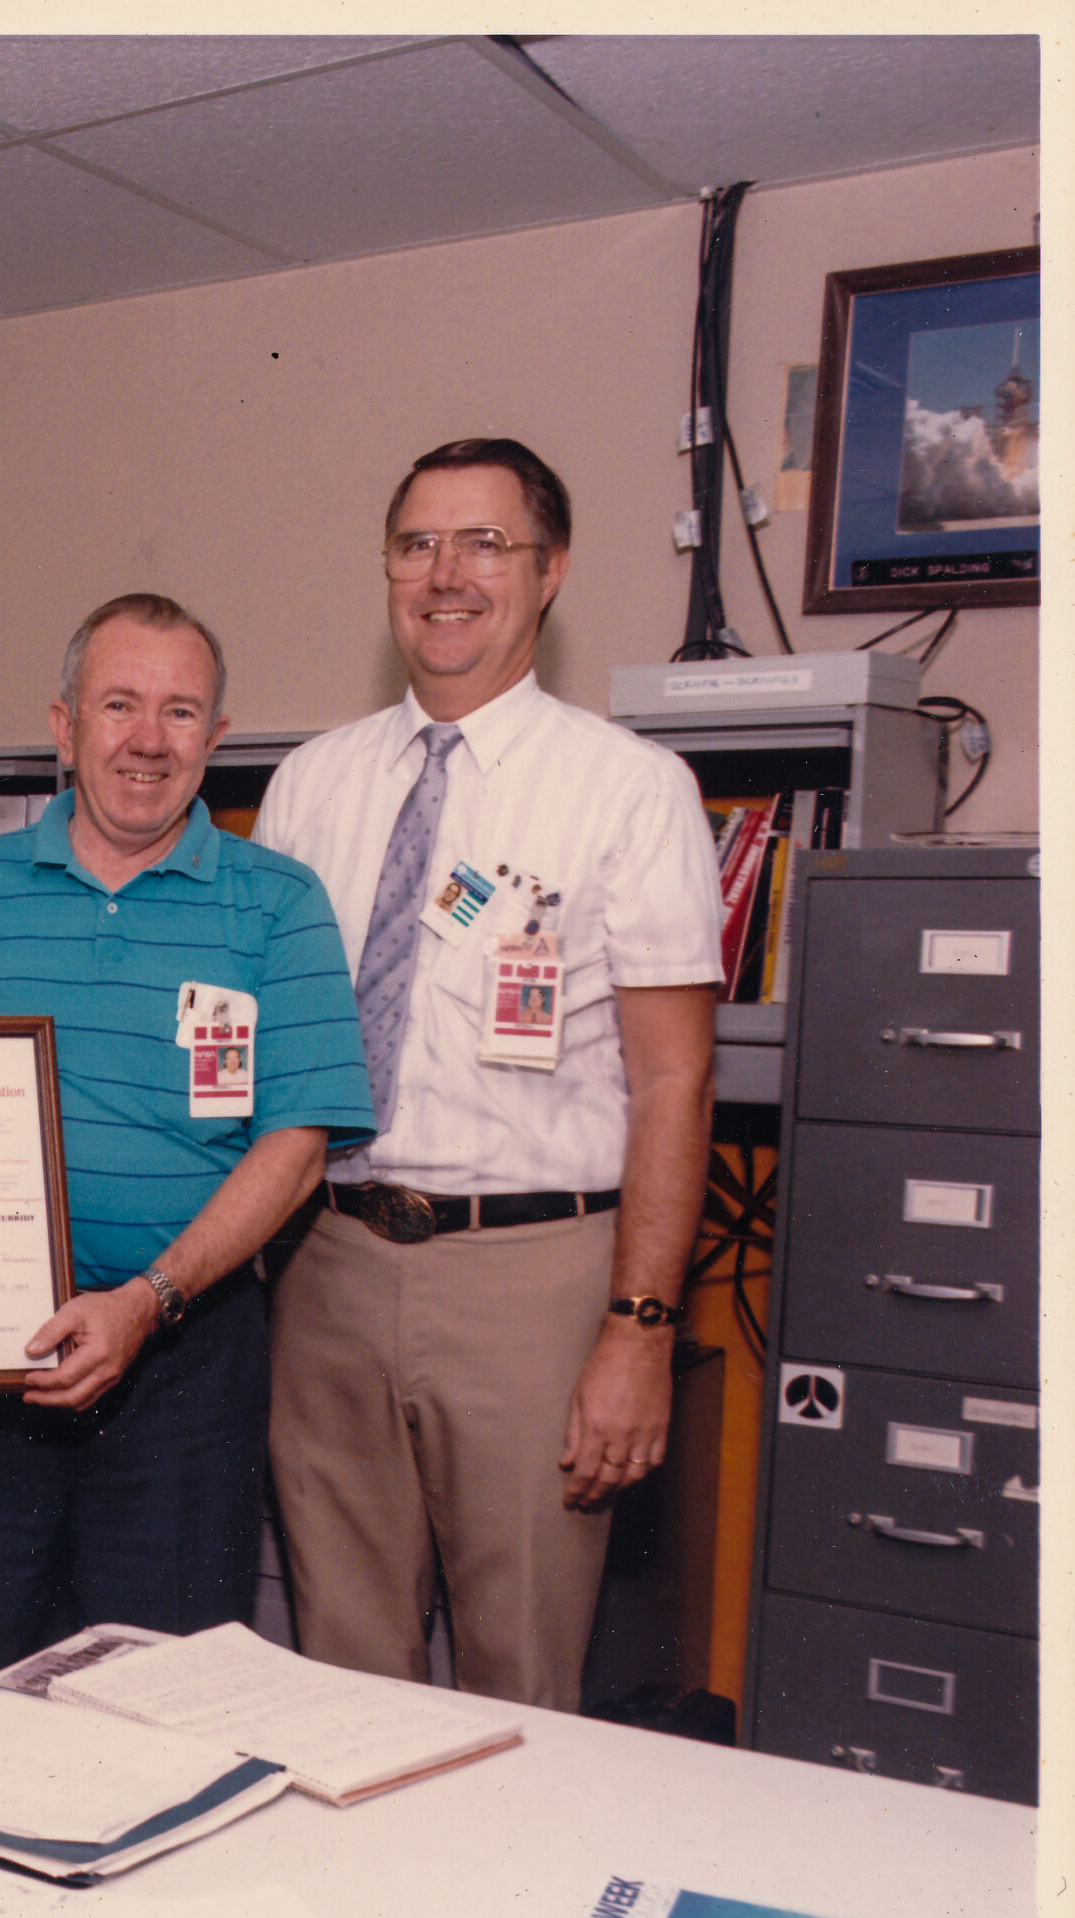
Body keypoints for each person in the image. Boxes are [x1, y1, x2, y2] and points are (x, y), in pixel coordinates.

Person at [253, 438, 722, 1712]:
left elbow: (675, 1083)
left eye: (484, 543)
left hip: (532, 1281)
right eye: (417, 543)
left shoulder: (631, 791)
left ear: (549, 570)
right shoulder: (312, 783)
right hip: (329, 1265)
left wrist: (638, 1327)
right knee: (340, 1678)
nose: (445, 574)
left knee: (521, 1673)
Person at [0, 593, 374, 1682]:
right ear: (63, 725)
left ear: (216, 739)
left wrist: (146, 1301)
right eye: (118, 704)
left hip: (184, 1367)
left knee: (162, 1705)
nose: (148, 739)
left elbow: (293, 1148)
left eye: (180, 711)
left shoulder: (279, 904)